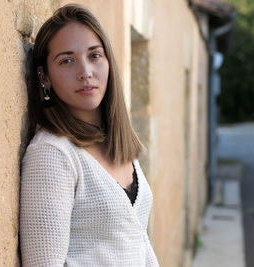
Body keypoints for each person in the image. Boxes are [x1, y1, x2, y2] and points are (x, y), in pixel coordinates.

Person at [20, 4, 159, 267]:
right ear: (44, 77)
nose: (85, 72)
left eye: (95, 56)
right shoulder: (53, 153)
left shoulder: (115, 143)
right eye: (67, 60)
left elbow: (138, 241)